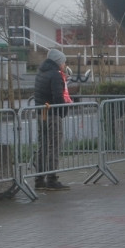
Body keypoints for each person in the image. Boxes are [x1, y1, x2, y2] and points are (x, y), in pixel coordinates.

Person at [33, 49, 71, 191]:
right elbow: (58, 97)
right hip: (52, 115)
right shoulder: (55, 75)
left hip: (40, 113)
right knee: (54, 145)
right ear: (58, 62)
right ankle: (52, 179)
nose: (64, 64)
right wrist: (63, 112)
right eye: (63, 61)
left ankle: (39, 179)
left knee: (42, 145)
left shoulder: (41, 72)